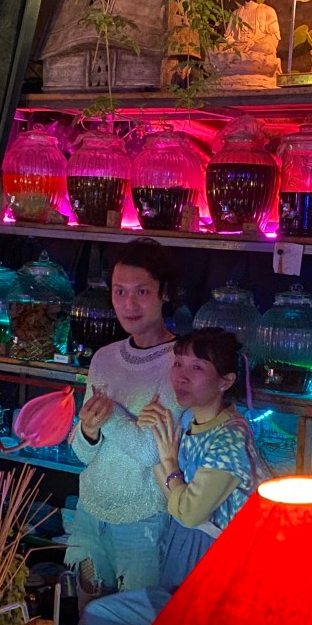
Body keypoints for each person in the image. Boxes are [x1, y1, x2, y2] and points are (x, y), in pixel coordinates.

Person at [78, 328, 270, 625]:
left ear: (226, 381)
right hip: (184, 554)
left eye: (197, 368)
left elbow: (188, 510)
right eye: (178, 363)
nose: (181, 375)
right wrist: (160, 450)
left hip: (218, 571)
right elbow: (170, 486)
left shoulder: (230, 437)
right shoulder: (189, 423)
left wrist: (167, 460)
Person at [67, 238, 181, 604]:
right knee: (88, 620)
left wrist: (109, 413)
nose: (129, 304)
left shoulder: (180, 363)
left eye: (141, 292)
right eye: (119, 292)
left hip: (144, 518)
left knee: (135, 623)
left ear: (165, 293)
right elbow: (81, 452)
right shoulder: (104, 357)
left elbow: (150, 451)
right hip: (90, 508)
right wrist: (88, 429)